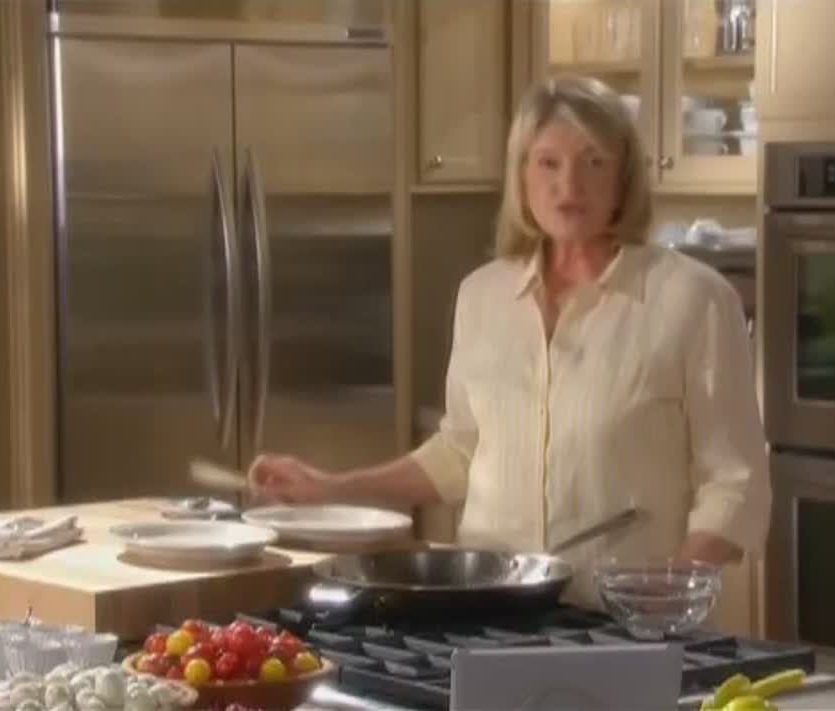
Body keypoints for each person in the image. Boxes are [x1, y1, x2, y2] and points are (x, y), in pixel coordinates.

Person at [249, 75, 770, 607]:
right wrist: (331, 488)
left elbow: (737, 483)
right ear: (522, 175)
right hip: (488, 611)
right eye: (548, 163)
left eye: (594, 162)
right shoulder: (482, 296)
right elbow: (459, 452)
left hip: (626, 621)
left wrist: (673, 588)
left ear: (624, 177)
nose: (569, 185)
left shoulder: (693, 300)